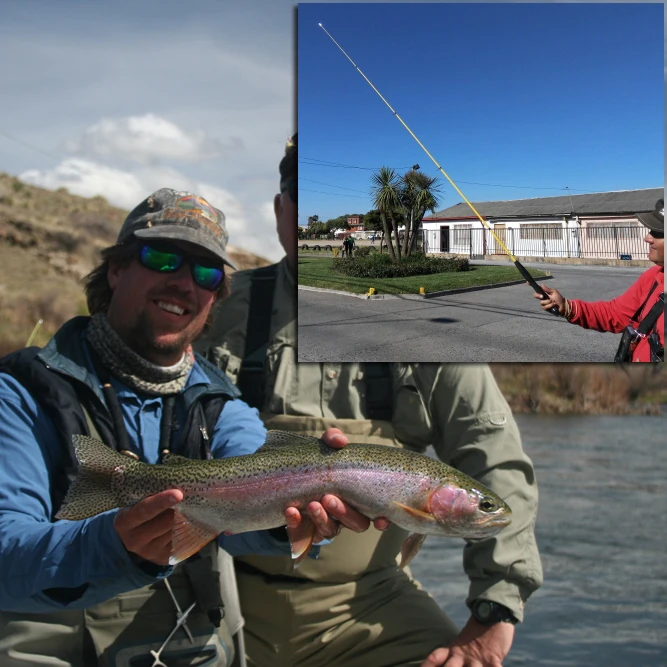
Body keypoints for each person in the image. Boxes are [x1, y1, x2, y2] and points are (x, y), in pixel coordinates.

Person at [197, 133, 543, 667]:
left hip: (370, 606)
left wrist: (494, 612)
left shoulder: (430, 336)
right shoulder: (215, 307)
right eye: (298, 188)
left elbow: (493, 456)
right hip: (218, 590)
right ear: (279, 208)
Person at [0, 188, 378, 667]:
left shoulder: (221, 405)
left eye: (206, 272)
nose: (184, 283)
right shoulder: (22, 393)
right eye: (162, 257)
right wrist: (115, 542)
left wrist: (295, 518)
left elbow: (243, 516)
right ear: (115, 270)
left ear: (214, 297)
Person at [533, 198, 664, 362]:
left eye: (658, 233)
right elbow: (616, 313)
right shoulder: (654, 276)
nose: (647, 238)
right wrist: (567, 307)